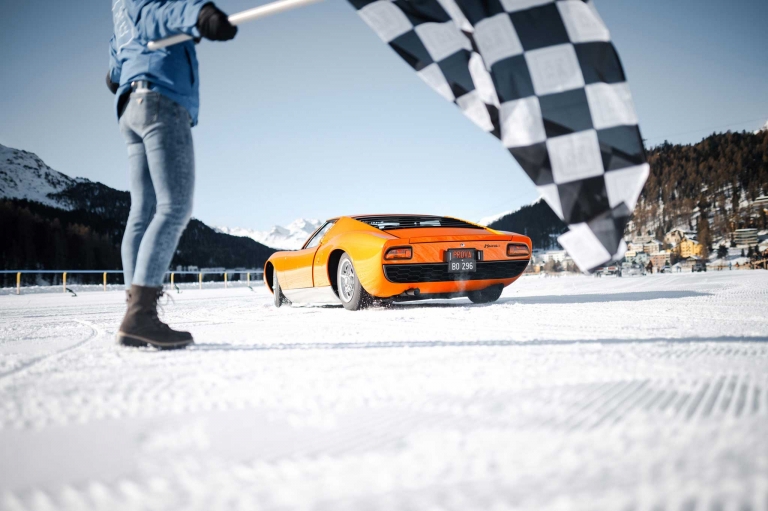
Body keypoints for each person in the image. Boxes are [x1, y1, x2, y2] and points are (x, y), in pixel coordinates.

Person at [107, 0, 237, 349]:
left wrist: (116, 70)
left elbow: (119, 48)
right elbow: (153, 12)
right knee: (174, 207)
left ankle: (135, 314)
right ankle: (140, 315)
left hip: (132, 102)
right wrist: (198, 14)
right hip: (160, 98)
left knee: (142, 212)